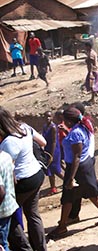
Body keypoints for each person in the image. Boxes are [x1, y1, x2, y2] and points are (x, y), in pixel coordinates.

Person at [48, 107, 98, 238]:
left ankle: (62, 226)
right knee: (89, 193)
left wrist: (71, 178)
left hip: (78, 168)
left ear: (68, 120)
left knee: (68, 197)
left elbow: (77, 155)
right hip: (84, 166)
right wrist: (67, 132)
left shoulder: (76, 133)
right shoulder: (81, 128)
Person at [0, 106, 47, 251]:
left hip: (23, 181)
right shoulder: (24, 128)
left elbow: (8, 167)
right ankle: (40, 248)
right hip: (36, 174)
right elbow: (43, 142)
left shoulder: (8, 142)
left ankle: (24, 248)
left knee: (11, 216)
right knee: (33, 214)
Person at [0, 150, 19, 251]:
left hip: (1, 210)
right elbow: (14, 179)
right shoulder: (6, 156)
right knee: (4, 241)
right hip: (9, 205)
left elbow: (1, 191)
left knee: (2, 244)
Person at [42, 111, 64, 195]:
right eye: (46, 116)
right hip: (47, 150)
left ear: (52, 117)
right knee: (49, 170)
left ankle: (68, 182)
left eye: (49, 116)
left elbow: (54, 142)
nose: (47, 118)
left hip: (54, 150)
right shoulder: (45, 127)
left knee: (56, 170)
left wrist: (51, 154)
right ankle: (53, 188)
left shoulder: (53, 127)